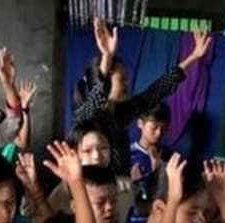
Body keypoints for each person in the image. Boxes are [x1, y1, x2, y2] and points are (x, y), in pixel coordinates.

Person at [74, 19, 210, 176]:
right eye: (122, 79)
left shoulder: (124, 111)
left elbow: (159, 88)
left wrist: (194, 56)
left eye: (126, 78)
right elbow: (98, 93)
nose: (127, 83)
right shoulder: (86, 115)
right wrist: (106, 57)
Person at [127, 102, 173, 223]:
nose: (158, 133)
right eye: (154, 127)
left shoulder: (169, 156)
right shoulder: (128, 155)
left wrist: (158, 169)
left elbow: (171, 196)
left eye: (163, 129)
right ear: (140, 123)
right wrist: (137, 183)